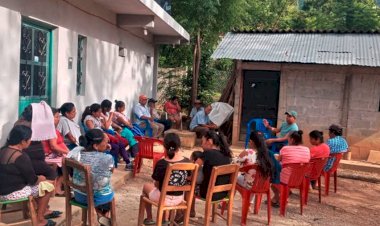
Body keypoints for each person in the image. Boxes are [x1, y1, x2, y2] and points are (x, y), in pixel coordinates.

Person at [0, 125, 57, 226]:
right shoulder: (21, 156)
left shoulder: (2, 150)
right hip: (12, 193)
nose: (31, 141)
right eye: (29, 139)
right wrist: (42, 178)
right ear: (23, 141)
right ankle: (39, 219)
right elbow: (32, 180)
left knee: (39, 187)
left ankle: (33, 212)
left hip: (2, 190)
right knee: (48, 187)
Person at [68, 129, 115, 226]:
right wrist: (104, 154)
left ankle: (100, 215)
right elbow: (111, 171)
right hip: (97, 199)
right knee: (107, 189)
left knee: (97, 185)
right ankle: (103, 215)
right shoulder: (107, 158)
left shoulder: (76, 152)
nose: (107, 144)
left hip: (79, 196)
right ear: (95, 145)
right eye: (105, 142)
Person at [141, 133, 190, 225]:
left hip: (163, 199)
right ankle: (164, 220)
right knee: (163, 190)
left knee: (146, 187)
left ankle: (149, 218)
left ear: (164, 147)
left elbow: (157, 185)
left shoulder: (162, 163)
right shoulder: (188, 162)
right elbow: (188, 179)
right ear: (179, 146)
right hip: (179, 198)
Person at [191, 131, 232, 217]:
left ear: (209, 141)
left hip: (207, 193)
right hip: (223, 194)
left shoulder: (207, 153)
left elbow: (193, 168)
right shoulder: (227, 156)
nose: (201, 145)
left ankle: (190, 211)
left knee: (189, 185)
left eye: (202, 142)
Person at [15, 103, 57, 182]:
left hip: (31, 158)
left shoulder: (20, 122)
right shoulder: (31, 125)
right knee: (52, 174)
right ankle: (42, 190)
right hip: (30, 160)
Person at [82, 103, 131, 170]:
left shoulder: (97, 118)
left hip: (103, 137)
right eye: (99, 112)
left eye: (101, 111)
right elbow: (93, 132)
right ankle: (112, 166)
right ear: (93, 112)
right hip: (97, 140)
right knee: (115, 146)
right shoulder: (89, 119)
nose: (100, 113)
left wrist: (105, 118)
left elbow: (106, 127)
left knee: (121, 144)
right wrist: (104, 136)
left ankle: (127, 163)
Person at [271, 130, 310, 207]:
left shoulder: (285, 148)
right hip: (300, 178)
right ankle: (278, 198)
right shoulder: (307, 149)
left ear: (292, 139)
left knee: (273, 180)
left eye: (288, 138)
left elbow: (278, 161)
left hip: (286, 179)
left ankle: (279, 197)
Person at [43, 108, 70, 196]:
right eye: (56, 117)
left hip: (53, 154)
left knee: (67, 160)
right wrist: (67, 152)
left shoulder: (50, 129)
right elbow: (53, 146)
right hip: (48, 156)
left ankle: (59, 186)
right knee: (68, 163)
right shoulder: (50, 130)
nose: (58, 119)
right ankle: (57, 188)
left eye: (59, 117)